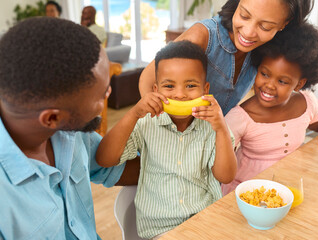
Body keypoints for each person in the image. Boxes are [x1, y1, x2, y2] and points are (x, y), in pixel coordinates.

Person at [0, 17, 139, 239]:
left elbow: (110, 166)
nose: (108, 93)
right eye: (102, 94)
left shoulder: (65, 126)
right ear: (52, 118)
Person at [97, 40, 237, 239]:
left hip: (205, 222)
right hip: (159, 229)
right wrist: (134, 113)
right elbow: (104, 159)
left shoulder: (213, 126)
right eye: (169, 86)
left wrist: (221, 129)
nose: (180, 95)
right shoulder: (146, 122)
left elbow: (226, 176)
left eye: (190, 85)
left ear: (205, 90)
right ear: (156, 90)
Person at [221, 22, 318, 195]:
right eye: (265, 74)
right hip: (247, 192)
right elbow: (221, 163)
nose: (269, 85)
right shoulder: (240, 117)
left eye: (282, 81)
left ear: (299, 84)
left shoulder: (306, 102)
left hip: (289, 186)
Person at [139, 0, 314, 115]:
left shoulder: (267, 51)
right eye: (244, 16)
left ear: (284, 24)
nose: (248, 32)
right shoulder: (203, 36)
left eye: (266, 27)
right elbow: (147, 79)